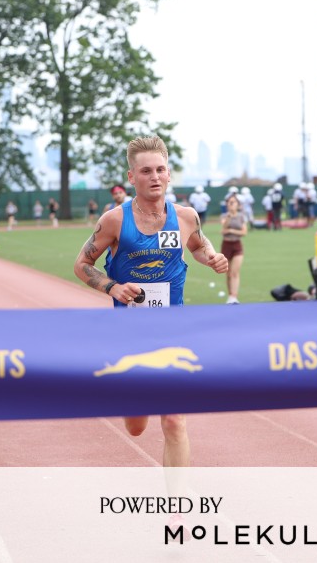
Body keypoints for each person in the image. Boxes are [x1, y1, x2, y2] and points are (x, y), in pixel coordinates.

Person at [73, 136, 228, 471]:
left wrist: (212, 257)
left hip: (173, 330)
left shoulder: (186, 216)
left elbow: (198, 246)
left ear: (169, 173)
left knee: (174, 420)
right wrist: (112, 287)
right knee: (136, 426)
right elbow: (82, 264)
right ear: (132, 177)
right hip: (129, 334)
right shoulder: (115, 220)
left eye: (160, 169)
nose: (155, 176)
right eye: (146, 171)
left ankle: (177, 500)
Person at [220, 193, 247, 304]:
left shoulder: (241, 216)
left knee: (235, 272)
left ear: (237, 204)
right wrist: (229, 216)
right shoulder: (224, 216)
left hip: (237, 245)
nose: (231, 204)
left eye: (233, 202)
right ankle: (230, 295)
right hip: (226, 245)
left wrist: (231, 231)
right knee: (228, 273)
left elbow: (244, 232)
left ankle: (234, 296)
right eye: (229, 202)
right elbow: (224, 228)